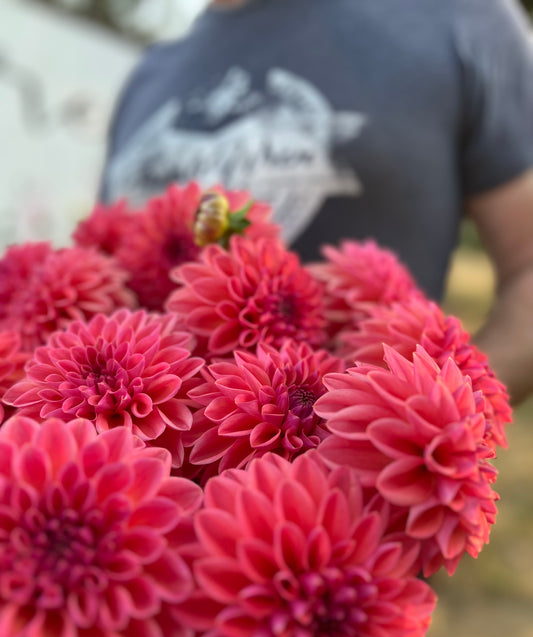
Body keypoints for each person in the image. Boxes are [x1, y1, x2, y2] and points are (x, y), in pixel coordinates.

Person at [100, 0, 533, 405]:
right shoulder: (149, 75)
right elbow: (108, 261)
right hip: (136, 450)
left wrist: (446, 416)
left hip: (348, 460)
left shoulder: (459, 16)